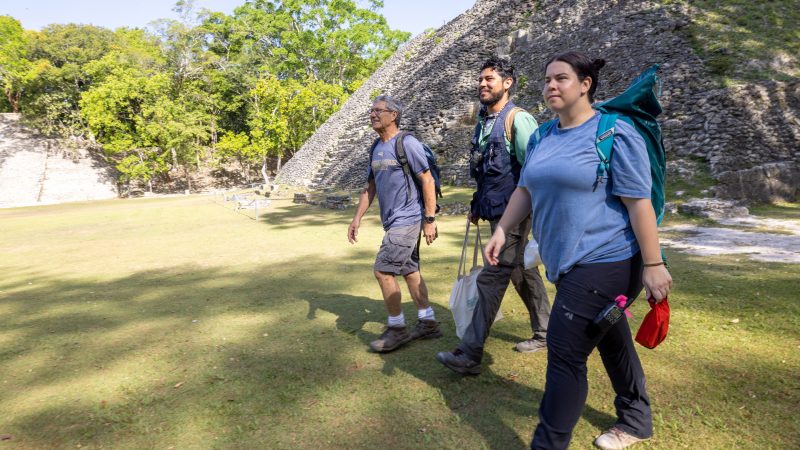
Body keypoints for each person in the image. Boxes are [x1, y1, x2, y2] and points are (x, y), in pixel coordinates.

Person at [483, 52, 672, 450]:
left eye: (562, 78)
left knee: (565, 354)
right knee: (610, 336)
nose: (551, 85)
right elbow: (526, 189)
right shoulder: (543, 135)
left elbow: (639, 203)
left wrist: (653, 264)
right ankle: (636, 419)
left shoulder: (614, 132)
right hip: (566, 262)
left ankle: (547, 445)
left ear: (585, 84)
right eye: (547, 79)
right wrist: (502, 228)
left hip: (608, 260)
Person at [436, 56, 551, 375]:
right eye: (481, 80)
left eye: (490, 79)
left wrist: (537, 216)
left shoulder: (518, 119)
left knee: (492, 276)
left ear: (507, 83)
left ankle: (471, 353)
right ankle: (546, 332)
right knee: (521, 273)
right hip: (493, 213)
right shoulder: (483, 123)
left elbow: (536, 170)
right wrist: (477, 204)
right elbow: (485, 172)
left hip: (513, 213)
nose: (483, 84)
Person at [347, 95, 442, 353]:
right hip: (392, 221)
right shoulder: (376, 148)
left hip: (408, 218)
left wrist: (430, 218)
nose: (373, 114)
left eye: (378, 110)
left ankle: (397, 328)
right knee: (410, 271)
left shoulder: (407, 143)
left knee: (383, 270)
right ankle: (428, 322)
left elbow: (427, 180)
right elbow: (370, 187)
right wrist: (357, 218)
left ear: (394, 114)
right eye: (371, 110)